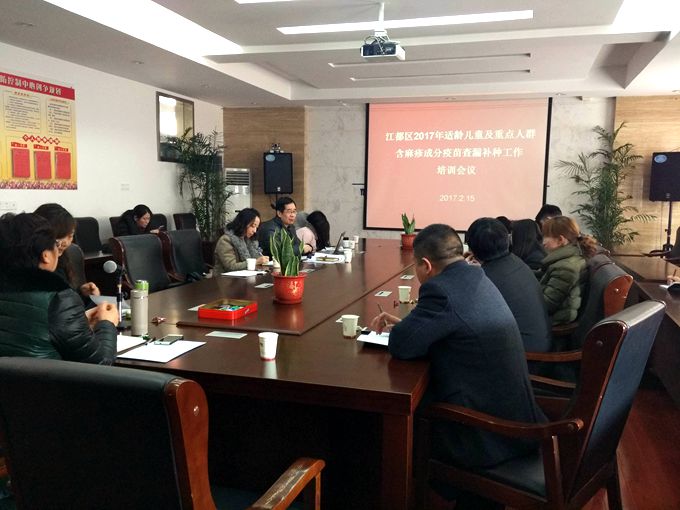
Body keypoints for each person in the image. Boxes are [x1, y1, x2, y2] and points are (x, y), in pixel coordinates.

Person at [370, 224, 545, 508]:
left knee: (396, 419)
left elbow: (402, 345)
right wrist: (411, 325)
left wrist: (407, 329)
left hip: (487, 435)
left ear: (426, 265)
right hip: (517, 417)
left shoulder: (441, 290)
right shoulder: (477, 275)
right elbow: (454, 325)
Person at [0, 213, 118, 363]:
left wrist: (78, 322)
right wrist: (107, 323)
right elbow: (99, 362)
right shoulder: (58, 297)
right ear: (46, 255)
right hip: (41, 378)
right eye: (55, 245)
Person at [466, 218, 551, 354]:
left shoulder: (486, 280)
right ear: (508, 240)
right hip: (539, 342)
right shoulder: (515, 262)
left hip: (526, 356)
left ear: (471, 249)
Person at [539, 215, 598, 325]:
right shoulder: (570, 258)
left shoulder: (566, 268)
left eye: (546, 236)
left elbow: (547, 305)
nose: (543, 242)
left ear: (560, 240)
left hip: (557, 318)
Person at [35, 203, 100, 300]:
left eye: (70, 236)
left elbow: (63, 299)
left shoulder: (63, 259)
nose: (65, 242)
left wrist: (81, 293)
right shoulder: (32, 268)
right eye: (60, 236)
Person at [213, 208, 269, 273]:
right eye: (253, 226)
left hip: (246, 276)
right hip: (225, 278)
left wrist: (262, 260)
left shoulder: (249, 240)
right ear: (243, 224)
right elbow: (231, 266)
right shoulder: (225, 240)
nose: (255, 231)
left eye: (257, 227)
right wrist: (255, 262)